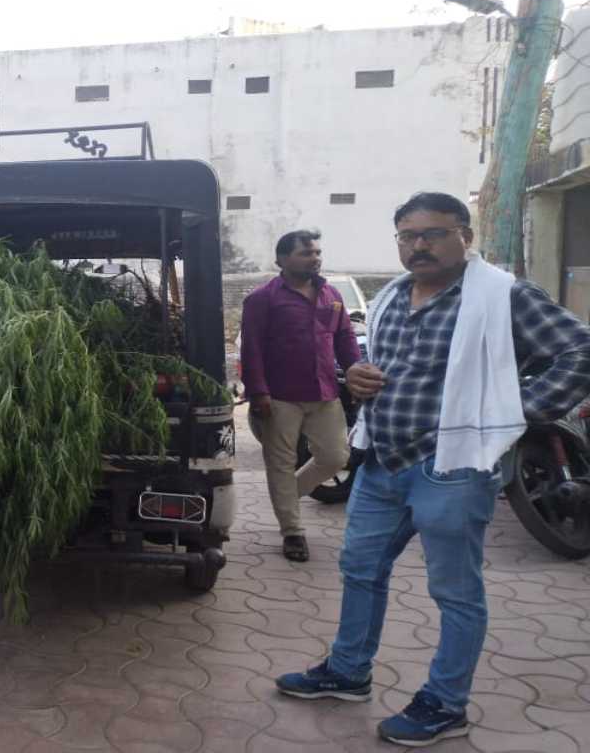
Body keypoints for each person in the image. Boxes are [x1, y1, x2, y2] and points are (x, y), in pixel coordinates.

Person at [275, 192, 590, 747]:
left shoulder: (503, 296)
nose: (419, 246)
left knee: (454, 590)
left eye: (433, 234)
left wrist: (516, 411)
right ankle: (348, 673)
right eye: (407, 236)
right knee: (361, 569)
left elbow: (579, 352)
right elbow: (388, 367)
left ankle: (445, 704)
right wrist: (360, 378)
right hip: (385, 461)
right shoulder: (394, 295)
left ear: (464, 235)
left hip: (454, 466)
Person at [241, 230, 361, 562]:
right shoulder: (262, 299)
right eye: (306, 253)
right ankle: (292, 532)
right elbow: (251, 350)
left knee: (336, 456)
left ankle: (285, 497)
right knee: (280, 463)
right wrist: (258, 392)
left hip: (324, 393)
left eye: (317, 252)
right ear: (281, 259)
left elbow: (345, 339)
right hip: (278, 397)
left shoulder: (331, 296)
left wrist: (355, 371)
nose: (315, 258)